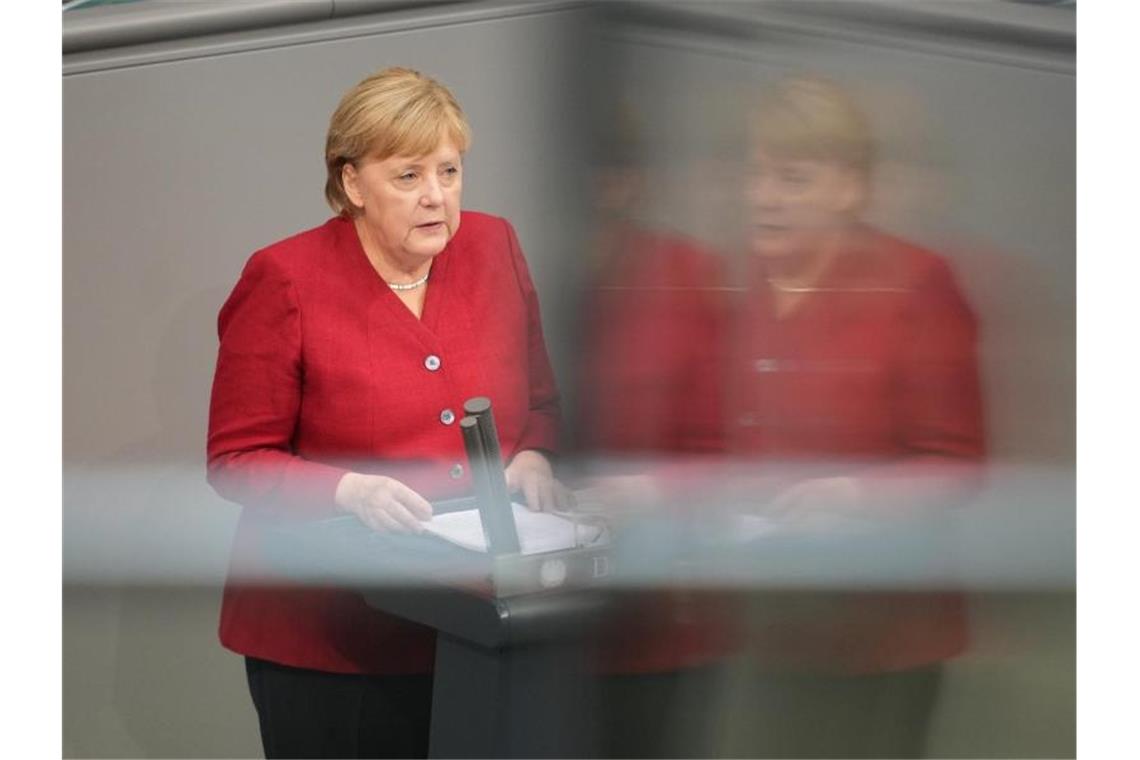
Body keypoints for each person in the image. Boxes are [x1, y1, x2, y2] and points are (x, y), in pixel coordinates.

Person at [206, 66, 565, 758]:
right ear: (351, 184)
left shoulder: (495, 248)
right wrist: (349, 490)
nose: (436, 197)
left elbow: (542, 401)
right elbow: (235, 461)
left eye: (450, 171)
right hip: (331, 642)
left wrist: (534, 455)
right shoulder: (285, 279)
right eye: (408, 176)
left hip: (477, 627)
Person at [721, 75, 987, 758]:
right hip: (767, 620)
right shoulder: (737, 280)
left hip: (883, 632)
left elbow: (956, 467)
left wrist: (854, 496)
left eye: (792, 178)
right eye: (756, 174)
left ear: (849, 187)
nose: (763, 196)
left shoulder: (915, 285)